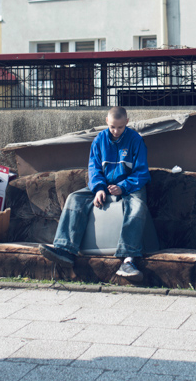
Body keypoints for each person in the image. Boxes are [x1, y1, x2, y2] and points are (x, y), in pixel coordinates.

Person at [39, 107, 152, 279]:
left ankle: (128, 261)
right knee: (74, 198)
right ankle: (65, 250)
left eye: (120, 127)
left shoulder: (136, 140)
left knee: (137, 207)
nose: (116, 131)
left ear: (127, 123)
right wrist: (99, 188)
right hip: (104, 185)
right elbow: (94, 169)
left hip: (130, 187)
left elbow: (142, 172)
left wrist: (123, 186)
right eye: (113, 126)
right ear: (107, 121)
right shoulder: (99, 140)